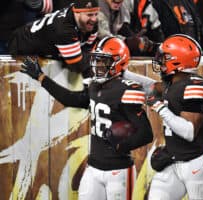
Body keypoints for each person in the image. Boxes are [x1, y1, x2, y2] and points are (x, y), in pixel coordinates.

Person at [19, 36, 154, 200]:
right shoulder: (95, 85)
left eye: (103, 61)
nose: (97, 65)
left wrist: (121, 146)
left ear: (118, 62)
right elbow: (70, 99)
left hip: (118, 170)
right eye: (96, 60)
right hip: (94, 167)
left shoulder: (127, 90)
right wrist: (42, 78)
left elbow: (146, 133)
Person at [143, 34, 203, 200]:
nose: (160, 61)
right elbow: (150, 86)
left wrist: (161, 108)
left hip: (196, 162)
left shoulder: (195, 85)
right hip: (174, 161)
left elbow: (189, 132)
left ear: (178, 60)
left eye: (164, 57)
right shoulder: (174, 83)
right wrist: (122, 74)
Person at [8, 0, 100, 78]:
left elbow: (88, 50)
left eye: (96, 14)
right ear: (77, 12)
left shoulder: (88, 22)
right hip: (23, 44)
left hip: (47, 46)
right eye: (90, 15)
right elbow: (77, 66)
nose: (94, 19)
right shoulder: (64, 29)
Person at [97, 0, 164, 56]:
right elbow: (103, 36)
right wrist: (126, 41)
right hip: (94, 51)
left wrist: (136, 41)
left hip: (108, 52)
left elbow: (115, 33)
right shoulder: (98, 5)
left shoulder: (121, 7)